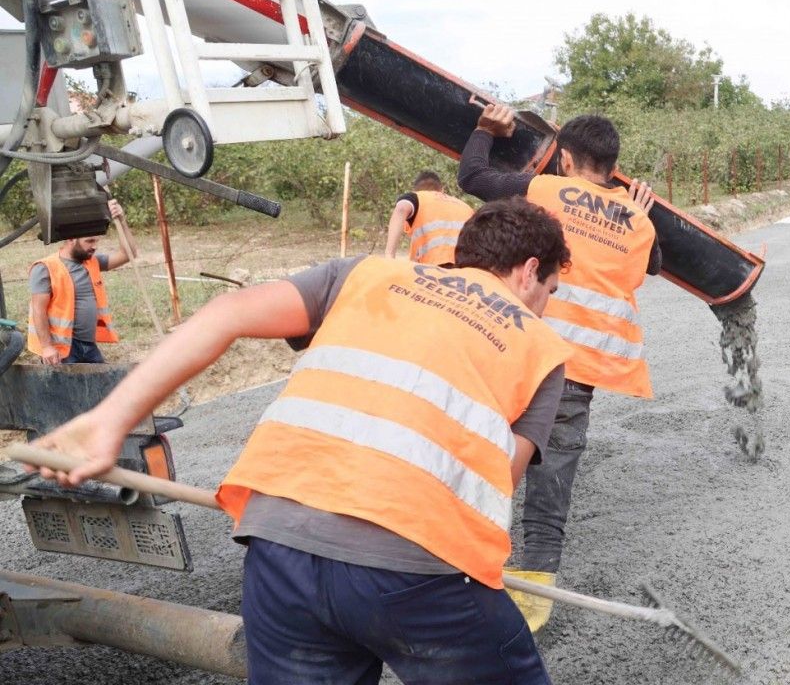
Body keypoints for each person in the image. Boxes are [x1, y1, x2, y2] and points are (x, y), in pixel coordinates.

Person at [29, 198, 574, 684]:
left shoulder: (368, 273)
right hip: (417, 567)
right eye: (550, 291)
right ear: (530, 272)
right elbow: (497, 482)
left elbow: (228, 313)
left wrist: (110, 421)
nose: (545, 304)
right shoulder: (540, 346)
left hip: (279, 546)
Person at [458, 104, 660, 631]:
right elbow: (653, 264)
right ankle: (534, 600)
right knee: (551, 479)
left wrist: (485, 131)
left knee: (473, 445)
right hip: (577, 369)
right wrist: (637, 209)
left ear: (565, 160)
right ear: (613, 166)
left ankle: (448, 559)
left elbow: (473, 177)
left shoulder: (544, 191)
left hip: (518, 349)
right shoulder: (638, 220)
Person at [27, 198, 136, 364]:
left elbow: (128, 254)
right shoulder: (45, 268)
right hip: (62, 350)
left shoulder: (91, 262)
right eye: (89, 241)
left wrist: (121, 220)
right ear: (71, 239)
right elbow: (38, 310)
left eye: (96, 240)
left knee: (103, 387)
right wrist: (47, 347)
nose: (95, 246)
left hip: (89, 346)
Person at [383, 169, 474, 265]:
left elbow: (401, 208)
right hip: (466, 269)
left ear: (415, 190)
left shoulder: (416, 198)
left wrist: (389, 255)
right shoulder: (465, 206)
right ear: (442, 190)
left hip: (434, 267)